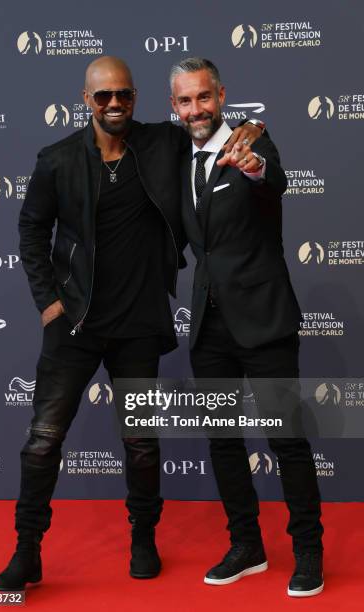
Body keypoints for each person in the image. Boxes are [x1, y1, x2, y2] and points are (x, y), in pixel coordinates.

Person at [0, 56, 262, 591]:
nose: (114, 104)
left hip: (138, 324)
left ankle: (143, 537)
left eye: (124, 96)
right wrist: (49, 303)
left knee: (140, 443)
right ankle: (26, 551)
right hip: (74, 325)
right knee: (42, 442)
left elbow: (213, 124)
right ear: (85, 100)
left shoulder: (162, 143)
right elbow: (31, 231)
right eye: (102, 97)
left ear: (135, 99)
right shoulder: (57, 160)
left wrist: (254, 127)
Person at [170, 57, 324, 598]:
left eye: (204, 97)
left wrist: (252, 163)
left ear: (221, 95)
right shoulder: (179, 162)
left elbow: (270, 181)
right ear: (175, 106)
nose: (196, 109)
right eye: (186, 100)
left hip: (264, 322)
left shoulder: (253, 143)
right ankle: (247, 544)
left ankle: (308, 551)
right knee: (224, 441)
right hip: (209, 329)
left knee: (287, 440)